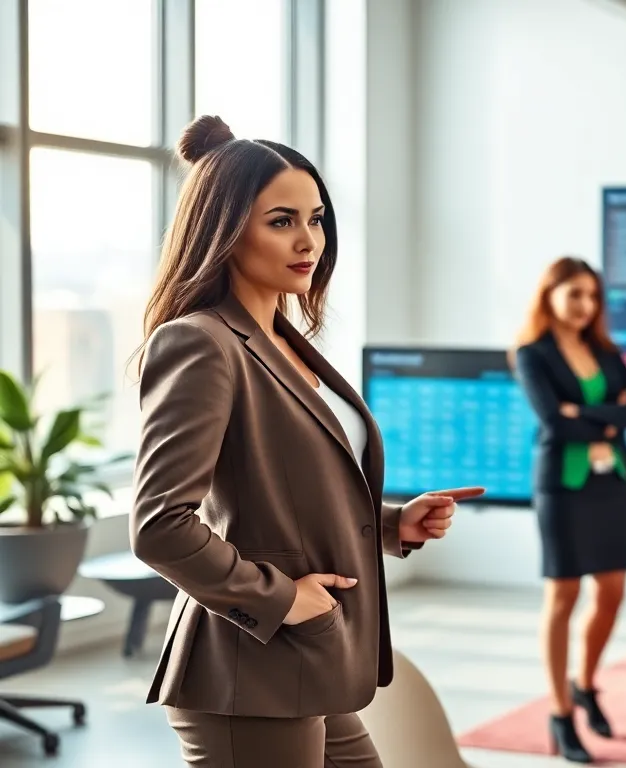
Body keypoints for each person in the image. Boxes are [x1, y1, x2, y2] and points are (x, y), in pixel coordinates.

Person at [130, 115, 485, 767]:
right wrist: (284, 597)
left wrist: (391, 524)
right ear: (224, 229)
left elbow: (283, 498)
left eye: (316, 218)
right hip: (248, 673)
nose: (309, 241)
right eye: (281, 220)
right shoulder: (200, 343)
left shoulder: (285, 344)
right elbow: (160, 526)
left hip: (305, 663)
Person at [510, 256, 626, 763]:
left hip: (609, 481)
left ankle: (587, 683)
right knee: (563, 595)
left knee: (611, 591)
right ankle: (560, 710)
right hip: (563, 488)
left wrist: (587, 414)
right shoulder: (532, 354)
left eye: (592, 296)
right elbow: (553, 420)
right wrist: (608, 418)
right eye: (574, 294)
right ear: (549, 295)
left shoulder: (604, 350)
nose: (585, 306)